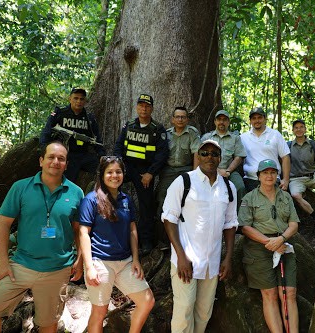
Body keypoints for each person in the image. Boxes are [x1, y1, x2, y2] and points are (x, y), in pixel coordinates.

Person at [0, 141, 84, 333]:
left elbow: (78, 231)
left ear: (66, 164)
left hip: (57, 269)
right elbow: (4, 224)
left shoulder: (76, 192)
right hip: (20, 265)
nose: (55, 162)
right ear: (41, 161)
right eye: (51, 157)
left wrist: (80, 260)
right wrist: (3, 262)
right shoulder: (21, 187)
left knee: (48, 322)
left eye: (61, 159)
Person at [162, 139, 238, 333]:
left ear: (220, 158)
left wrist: (227, 258)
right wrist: (180, 256)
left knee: (204, 313)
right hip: (186, 260)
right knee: (184, 309)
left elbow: (230, 224)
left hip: (212, 262)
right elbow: (169, 219)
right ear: (198, 156)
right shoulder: (184, 181)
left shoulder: (228, 188)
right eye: (204, 153)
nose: (209, 157)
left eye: (214, 154)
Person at [78, 156, 155, 333]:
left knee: (147, 300)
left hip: (126, 262)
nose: (114, 175)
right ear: (102, 175)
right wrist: (89, 266)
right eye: (109, 172)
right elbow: (83, 233)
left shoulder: (126, 199)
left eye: (118, 172)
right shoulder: (91, 199)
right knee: (99, 311)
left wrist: (136, 259)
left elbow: (132, 230)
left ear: (123, 174)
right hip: (100, 262)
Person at [238, 159, 300, 333]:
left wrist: (281, 240)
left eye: (273, 172)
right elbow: (244, 227)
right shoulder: (249, 198)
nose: (269, 176)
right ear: (258, 176)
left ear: (277, 175)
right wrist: (269, 242)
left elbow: (294, 224)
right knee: (270, 294)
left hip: (284, 245)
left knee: (289, 293)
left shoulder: (286, 196)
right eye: (265, 172)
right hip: (259, 248)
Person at [113, 94, 169, 253]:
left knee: (146, 206)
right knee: (109, 195)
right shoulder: (128, 125)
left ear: (151, 108)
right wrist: (119, 167)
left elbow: (162, 154)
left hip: (145, 172)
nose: (143, 109)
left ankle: (146, 242)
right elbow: (118, 147)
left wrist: (150, 174)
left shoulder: (157, 129)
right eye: (141, 105)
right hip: (127, 168)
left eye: (147, 106)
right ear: (136, 107)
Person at [40, 87, 106, 182]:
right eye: (76, 98)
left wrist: (101, 155)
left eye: (81, 99)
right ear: (70, 99)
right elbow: (46, 131)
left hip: (83, 155)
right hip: (66, 155)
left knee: (104, 169)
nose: (78, 101)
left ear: (85, 101)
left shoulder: (89, 118)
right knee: (67, 181)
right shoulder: (60, 113)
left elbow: (97, 139)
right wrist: (44, 149)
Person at [155, 106, 200, 222]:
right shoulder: (167, 134)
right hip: (168, 171)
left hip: (186, 170)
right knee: (162, 198)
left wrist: (195, 175)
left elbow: (196, 153)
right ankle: (162, 233)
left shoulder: (192, 133)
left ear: (187, 120)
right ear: (173, 119)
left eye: (183, 117)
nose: (180, 120)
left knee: (188, 199)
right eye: (177, 117)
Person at [288, 119, 315, 235]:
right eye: (296, 127)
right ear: (293, 130)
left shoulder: (313, 144)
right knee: (295, 195)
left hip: (312, 176)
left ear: (305, 129)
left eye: (301, 127)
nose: (299, 129)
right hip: (295, 178)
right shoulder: (288, 146)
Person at [201, 109, 246, 205]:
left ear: (228, 122)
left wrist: (228, 171)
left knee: (240, 187)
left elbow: (239, 157)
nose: (221, 122)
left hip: (230, 171)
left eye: (224, 119)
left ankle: (238, 217)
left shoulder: (235, 138)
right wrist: (216, 170)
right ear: (215, 121)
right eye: (219, 119)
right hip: (209, 170)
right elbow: (200, 156)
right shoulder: (207, 137)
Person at [240, 107, 290, 193]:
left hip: (272, 179)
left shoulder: (275, 134)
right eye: (254, 118)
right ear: (250, 121)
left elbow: (285, 157)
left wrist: (285, 179)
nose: (257, 121)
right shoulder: (243, 137)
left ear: (265, 119)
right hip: (250, 180)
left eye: (260, 118)